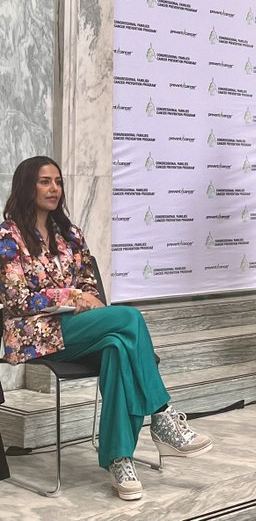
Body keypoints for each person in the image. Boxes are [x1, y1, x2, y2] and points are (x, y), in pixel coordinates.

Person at [0, 156, 212, 501]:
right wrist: (70, 294)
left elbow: (90, 287)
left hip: (76, 327)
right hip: (33, 334)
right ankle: (161, 415)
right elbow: (16, 297)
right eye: (45, 181)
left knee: (116, 345)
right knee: (129, 319)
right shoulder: (7, 236)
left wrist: (85, 297)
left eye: (57, 181)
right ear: (27, 186)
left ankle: (119, 459)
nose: (54, 188)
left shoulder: (69, 234)